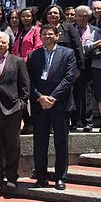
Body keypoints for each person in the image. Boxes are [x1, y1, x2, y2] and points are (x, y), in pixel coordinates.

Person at [27, 25, 77, 190]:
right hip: (40, 104)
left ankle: (60, 177)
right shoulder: (34, 55)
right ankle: (41, 177)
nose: (47, 36)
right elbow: (29, 80)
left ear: (57, 36)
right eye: (44, 34)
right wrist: (40, 97)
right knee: (39, 142)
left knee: (61, 142)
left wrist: (53, 97)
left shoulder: (67, 53)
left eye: (50, 34)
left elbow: (69, 78)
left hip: (60, 104)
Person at [0, 33, 30, 191]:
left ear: (8, 44)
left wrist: (20, 106)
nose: (0, 45)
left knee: (12, 146)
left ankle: (11, 177)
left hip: (12, 111)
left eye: (3, 42)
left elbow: (25, 87)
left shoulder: (18, 62)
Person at [73, 5, 98, 132]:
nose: (82, 18)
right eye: (79, 16)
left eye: (85, 16)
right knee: (73, 93)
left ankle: (87, 121)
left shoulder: (95, 30)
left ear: (89, 17)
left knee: (86, 93)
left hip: (88, 64)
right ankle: (74, 120)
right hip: (72, 64)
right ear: (75, 16)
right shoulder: (69, 28)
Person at [41, 4, 84, 76]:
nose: (52, 15)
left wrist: (79, 67)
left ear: (60, 15)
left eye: (55, 13)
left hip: (66, 64)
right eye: (50, 13)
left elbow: (77, 46)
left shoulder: (68, 27)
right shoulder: (41, 28)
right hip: (47, 66)